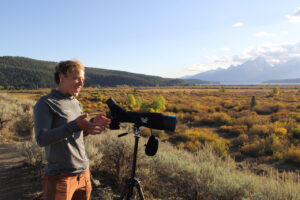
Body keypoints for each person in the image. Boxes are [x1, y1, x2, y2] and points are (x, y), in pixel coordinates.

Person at [34, 60, 111, 200]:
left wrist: (91, 124)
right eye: (76, 78)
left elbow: (76, 133)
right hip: (60, 177)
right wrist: (75, 125)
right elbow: (42, 139)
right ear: (61, 77)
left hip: (83, 174)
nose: (81, 84)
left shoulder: (75, 103)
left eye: (82, 79)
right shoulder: (46, 103)